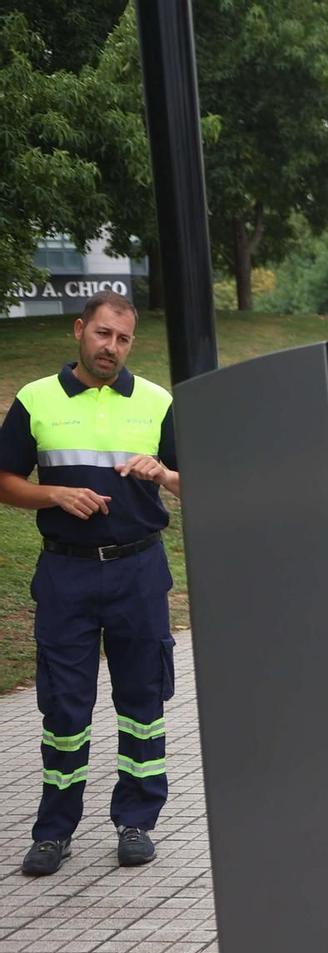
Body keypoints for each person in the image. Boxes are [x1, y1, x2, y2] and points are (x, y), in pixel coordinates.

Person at [0, 292, 182, 876]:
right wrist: (53, 494)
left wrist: (166, 472)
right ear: (80, 331)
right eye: (103, 334)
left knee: (142, 702)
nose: (112, 347)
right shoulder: (36, 399)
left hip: (138, 570)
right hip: (66, 572)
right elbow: (3, 481)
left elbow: (197, 482)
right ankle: (54, 831)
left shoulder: (157, 401)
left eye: (123, 339)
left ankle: (137, 821)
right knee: (64, 707)